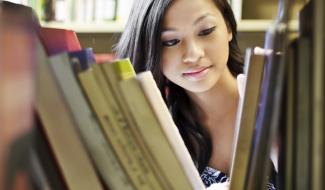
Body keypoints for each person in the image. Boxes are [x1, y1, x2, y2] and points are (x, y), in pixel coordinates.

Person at [114, 0, 276, 189]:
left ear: (228, 28)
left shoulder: (279, 102)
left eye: (206, 31)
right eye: (171, 41)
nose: (193, 55)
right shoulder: (153, 134)